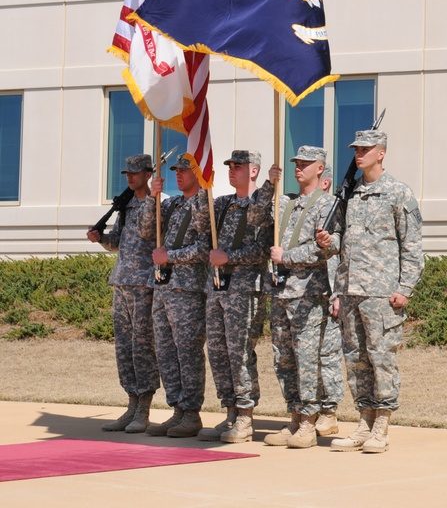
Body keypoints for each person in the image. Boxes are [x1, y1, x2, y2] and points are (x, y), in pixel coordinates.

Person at [326, 130, 423, 454]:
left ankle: (382, 423)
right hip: (351, 290)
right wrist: (330, 244)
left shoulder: (397, 193)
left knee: (381, 358)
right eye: (356, 149)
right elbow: (343, 240)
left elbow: (412, 246)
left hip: (381, 294)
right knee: (355, 360)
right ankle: (364, 421)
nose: (359, 154)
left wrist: (405, 287)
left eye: (366, 149)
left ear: (381, 153)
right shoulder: (350, 193)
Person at [248, 146, 336, 449]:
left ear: (320, 168)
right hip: (280, 291)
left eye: (306, 164)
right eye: (296, 163)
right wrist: (269, 184)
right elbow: (255, 216)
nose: (299, 168)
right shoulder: (284, 202)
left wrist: (287, 256)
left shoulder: (328, 205)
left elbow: (326, 247)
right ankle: (295, 416)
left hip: (307, 293)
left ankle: (310, 421)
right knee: (283, 359)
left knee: (306, 358)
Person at [199, 150, 271, 444]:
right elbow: (202, 231)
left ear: (253, 171)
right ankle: (229, 410)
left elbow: (262, 250)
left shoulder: (263, 206)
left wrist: (228, 256)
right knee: (217, 352)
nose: (231, 170)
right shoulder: (224, 204)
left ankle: (245, 415)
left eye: (238, 166)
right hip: (217, 288)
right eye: (229, 166)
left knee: (240, 352)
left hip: (244, 289)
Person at [138, 154, 211, 438]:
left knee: (187, 351)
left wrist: (171, 256)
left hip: (187, 289)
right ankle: (177, 409)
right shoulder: (171, 204)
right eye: (176, 170)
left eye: (184, 170)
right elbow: (146, 231)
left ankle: (191, 413)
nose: (178, 175)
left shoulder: (205, 204)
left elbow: (206, 247)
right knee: (166, 353)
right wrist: (151, 198)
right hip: (163, 287)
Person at [87, 154, 159, 433]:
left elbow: (147, 231)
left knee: (142, 347)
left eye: (135, 172)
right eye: (127, 173)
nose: (129, 177)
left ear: (147, 174)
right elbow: (116, 242)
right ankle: (131, 403)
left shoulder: (155, 205)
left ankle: (144, 408)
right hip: (122, 282)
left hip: (143, 284)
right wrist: (101, 238)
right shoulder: (126, 205)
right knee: (124, 348)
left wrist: (151, 199)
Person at [315, 165, 344, 437]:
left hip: (330, 293)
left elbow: (339, 256)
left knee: (328, 354)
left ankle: (329, 412)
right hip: (310, 293)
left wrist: (337, 294)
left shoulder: (335, 212)